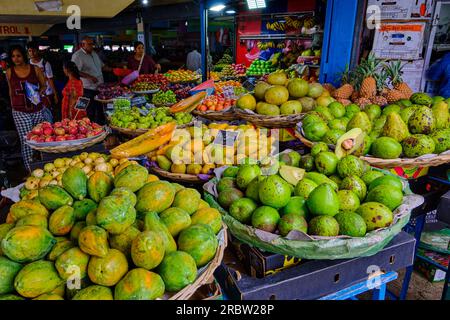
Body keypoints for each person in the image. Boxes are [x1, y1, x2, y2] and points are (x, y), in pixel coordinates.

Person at [5, 45, 48, 171]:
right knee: (26, 140)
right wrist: (13, 105)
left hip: (36, 109)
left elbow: (44, 85)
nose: (16, 59)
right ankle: (30, 169)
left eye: (18, 55)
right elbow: (10, 91)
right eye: (13, 56)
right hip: (19, 111)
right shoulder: (9, 72)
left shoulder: (35, 69)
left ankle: (43, 165)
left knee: (41, 138)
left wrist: (39, 94)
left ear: (23, 55)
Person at [71, 36, 111, 124]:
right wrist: (89, 76)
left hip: (99, 87)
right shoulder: (77, 56)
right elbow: (75, 71)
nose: (92, 46)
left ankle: (100, 126)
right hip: (87, 89)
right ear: (82, 45)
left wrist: (113, 70)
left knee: (100, 109)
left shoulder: (94, 54)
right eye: (89, 44)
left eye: (92, 44)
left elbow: (102, 66)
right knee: (90, 111)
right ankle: (90, 128)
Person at [27, 41, 58, 122]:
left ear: (37, 50)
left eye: (34, 50)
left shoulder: (45, 63)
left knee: (48, 115)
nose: (32, 53)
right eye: (30, 51)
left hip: (46, 93)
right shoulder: (27, 64)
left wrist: (55, 94)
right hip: (33, 95)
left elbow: (50, 79)